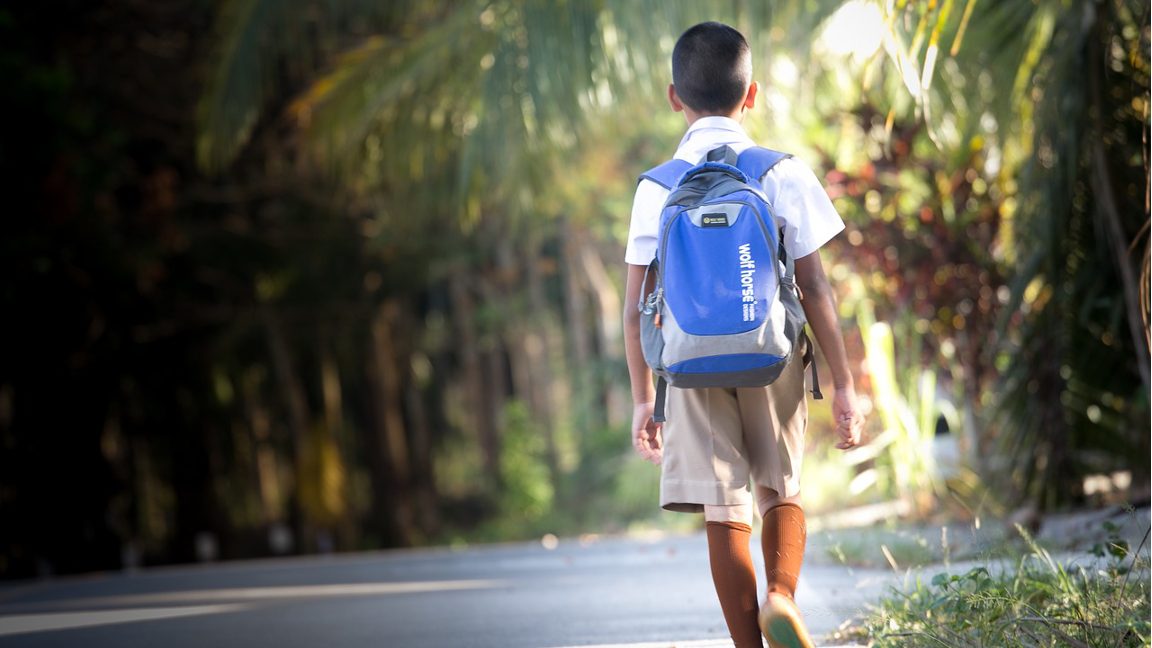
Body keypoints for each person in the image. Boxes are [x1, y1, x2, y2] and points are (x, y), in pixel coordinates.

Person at [622, 22, 865, 648]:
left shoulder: (655, 188)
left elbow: (631, 310)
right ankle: (781, 597)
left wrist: (643, 400)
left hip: (688, 366)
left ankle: (748, 646)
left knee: (722, 508)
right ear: (750, 94)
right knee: (780, 488)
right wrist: (842, 386)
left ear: (674, 97)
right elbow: (816, 289)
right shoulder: (781, 171)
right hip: (773, 354)